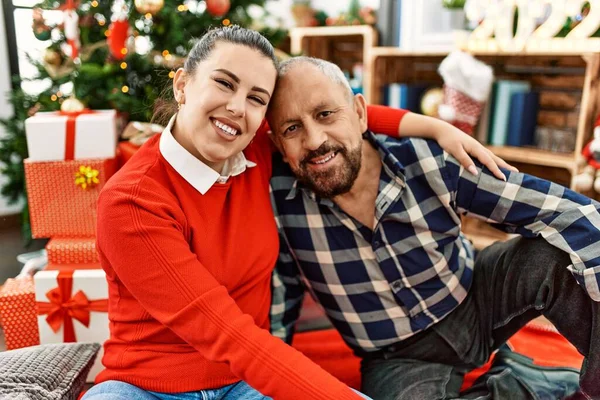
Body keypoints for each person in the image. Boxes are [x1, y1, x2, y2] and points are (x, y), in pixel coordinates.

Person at [83, 26, 512, 400]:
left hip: (243, 384)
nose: (237, 107)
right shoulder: (132, 203)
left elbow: (336, 112)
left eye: (256, 98)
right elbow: (231, 337)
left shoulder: (252, 149)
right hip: (146, 387)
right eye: (224, 84)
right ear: (182, 86)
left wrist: (435, 126)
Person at [268, 57, 600, 400]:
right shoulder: (278, 204)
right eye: (291, 128)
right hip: (398, 358)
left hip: (476, 298)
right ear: (277, 143)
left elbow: (566, 210)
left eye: (325, 114)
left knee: (564, 247)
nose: (314, 139)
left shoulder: (429, 158)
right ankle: (521, 383)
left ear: (360, 113)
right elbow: (279, 305)